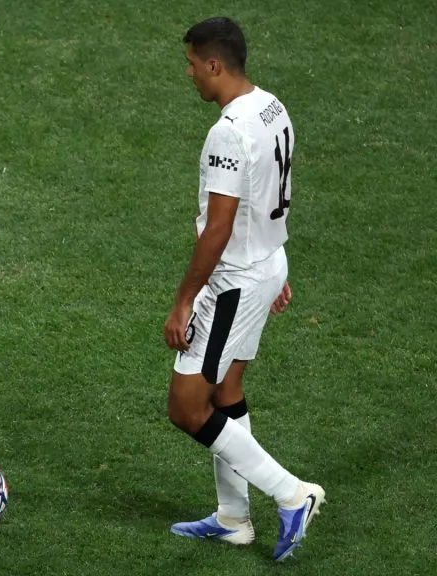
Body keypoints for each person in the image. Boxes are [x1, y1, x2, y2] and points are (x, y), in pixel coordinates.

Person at [162, 17, 325, 561]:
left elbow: (221, 228)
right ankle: (233, 518)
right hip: (265, 264)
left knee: (187, 406)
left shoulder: (227, 132)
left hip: (235, 280)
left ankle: (291, 493)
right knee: (225, 392)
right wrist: (273, 269)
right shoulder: (272, 106)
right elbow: (273, 194)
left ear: (214, 64)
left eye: (191, 64)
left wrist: (185, 298)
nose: (189, 74)